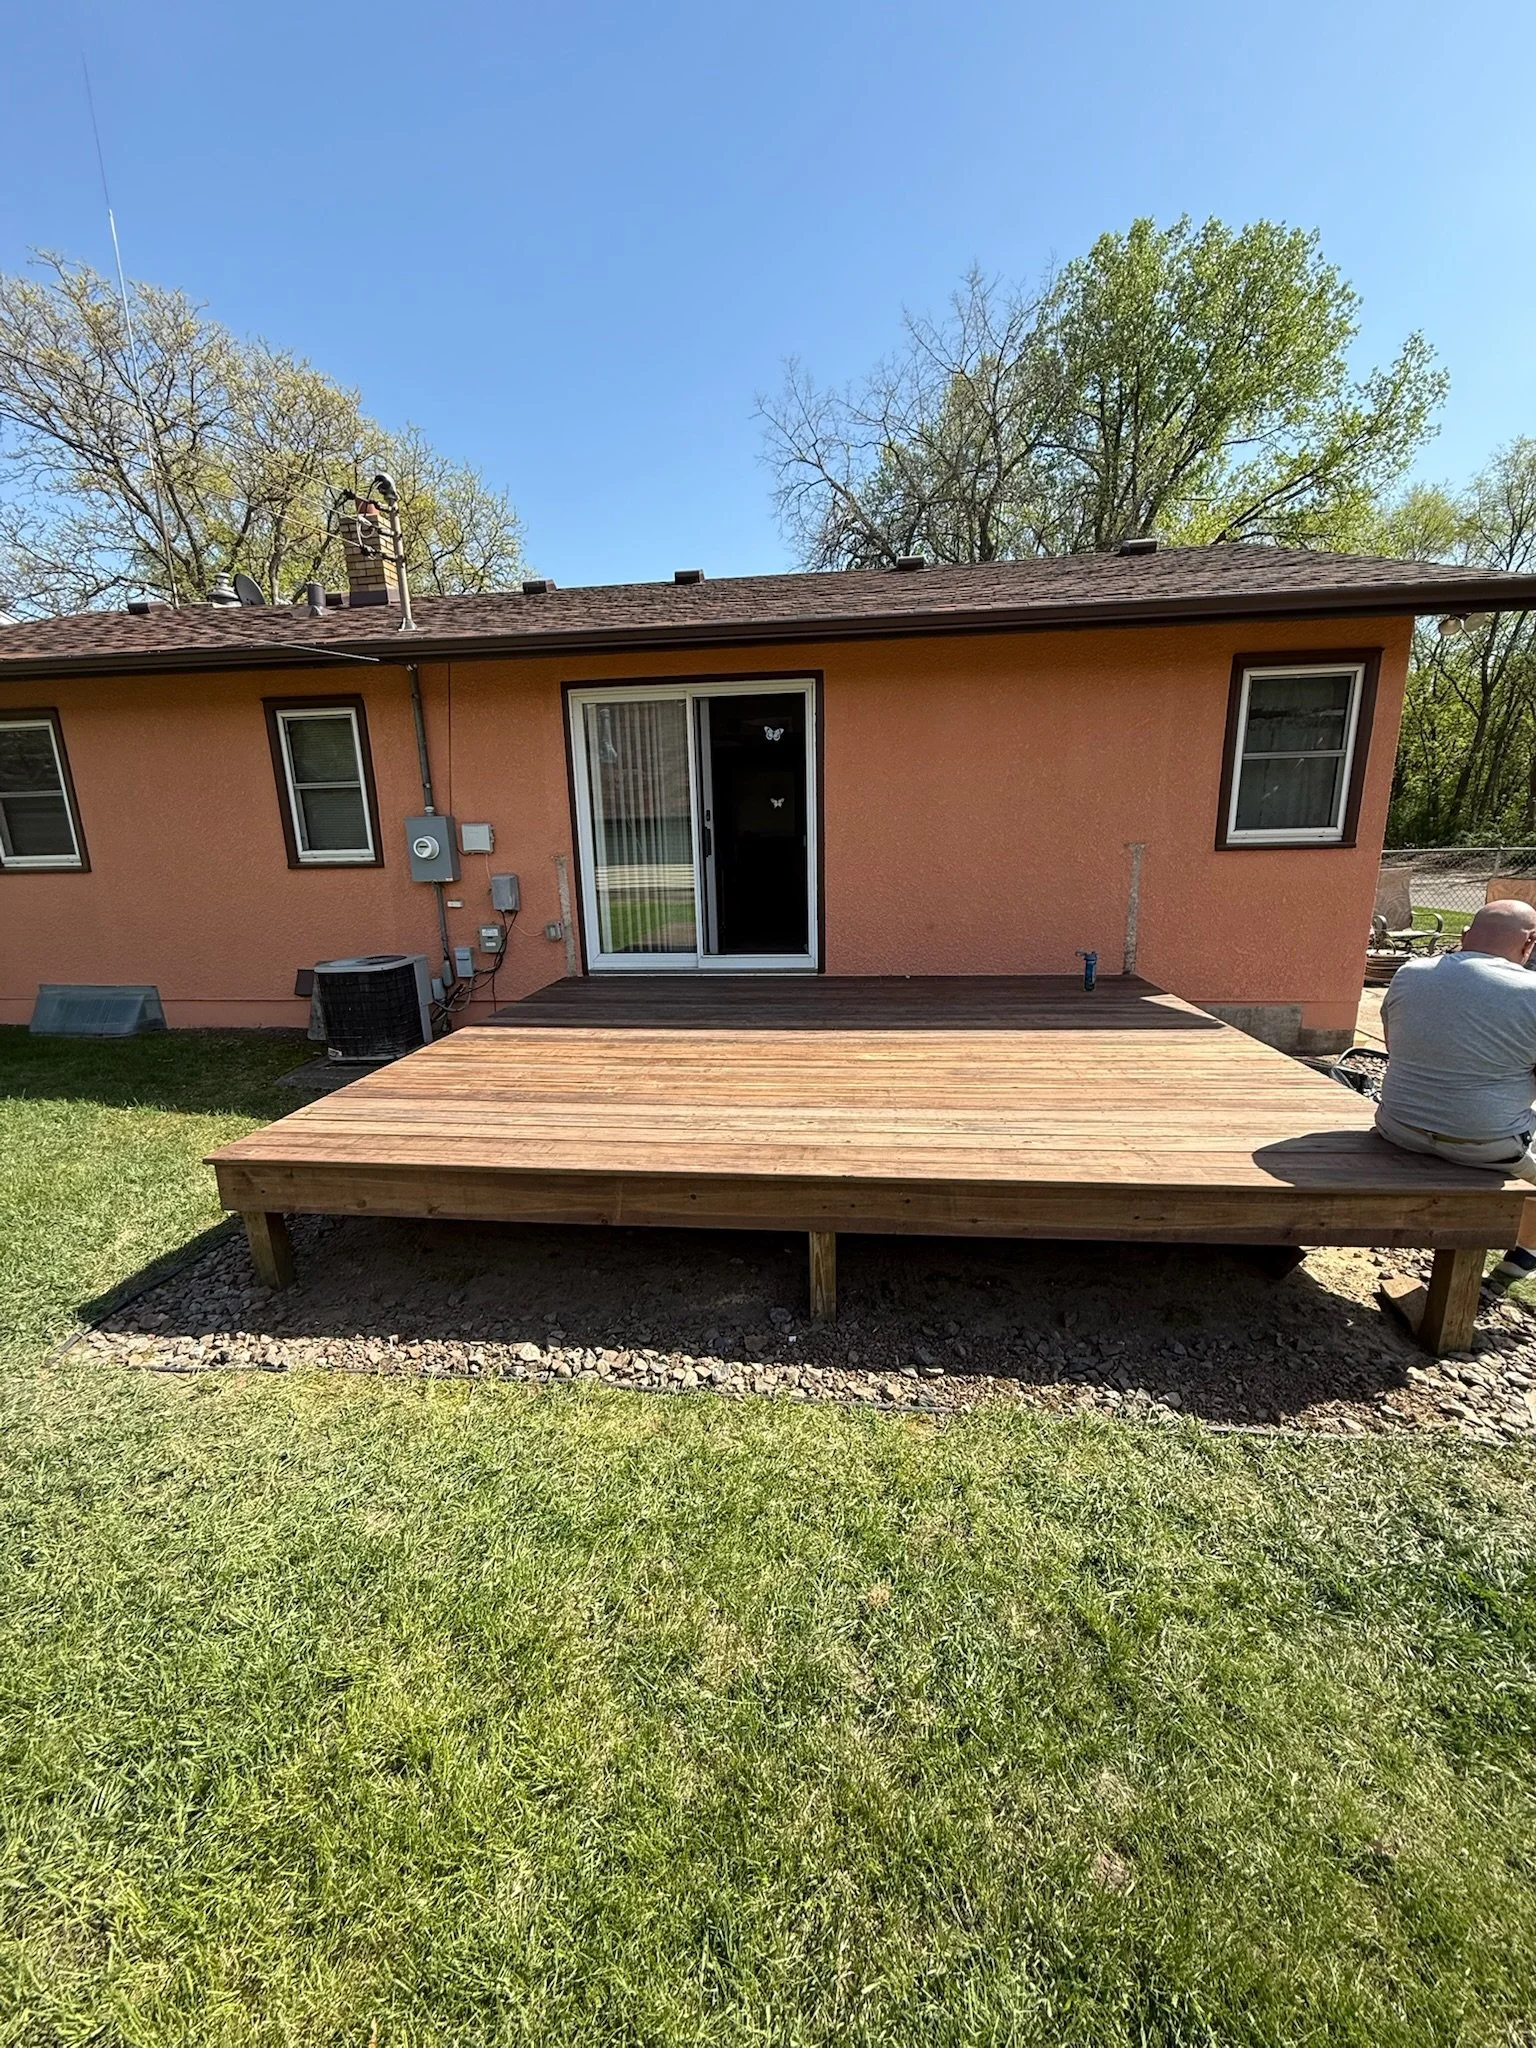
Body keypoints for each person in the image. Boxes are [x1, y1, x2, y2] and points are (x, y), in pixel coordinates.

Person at [1376, 898, 1536, 1285]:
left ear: (1465, 935)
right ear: (1530, 943)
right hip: (1487, 1146)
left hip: (1398, 1127)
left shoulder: (1410, 973)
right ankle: (1522, 1256)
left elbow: (1394, 1045)